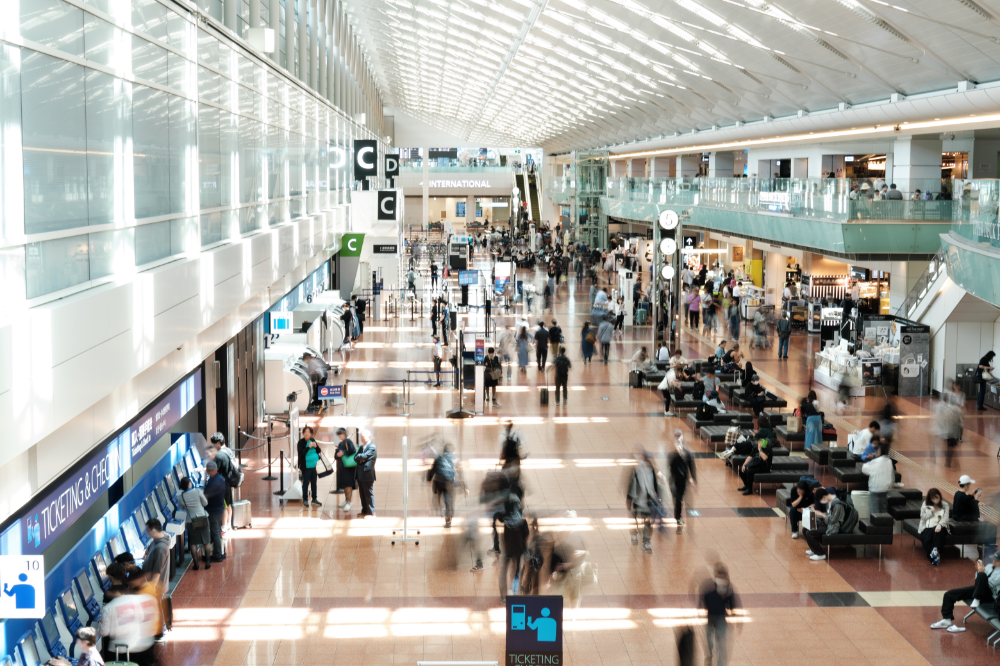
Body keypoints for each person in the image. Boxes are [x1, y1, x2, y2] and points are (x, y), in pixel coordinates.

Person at [931, 552, 1000, 632]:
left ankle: (977, 598)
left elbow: (989, 585)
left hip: (991, 596)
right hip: (979, 590)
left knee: (982, 575)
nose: (994, 562)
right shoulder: (989, 567)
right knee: (949, 594)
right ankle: (946, 619)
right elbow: (978, 581)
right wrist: (978, 571)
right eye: (994, 559)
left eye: (997, 560)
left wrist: (981, 572)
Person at [702, 563, 739, 666]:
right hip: (710, 617)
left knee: (720, 641)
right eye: (718, 577)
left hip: (721, 619)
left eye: (722, 578)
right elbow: (704, 598)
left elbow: (731, 602)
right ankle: (709, 654)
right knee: (709, 638)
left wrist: (732, 613)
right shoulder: (709, 587)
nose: (719, 580)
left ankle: (720, 663)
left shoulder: (727, 590)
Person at [626, 449, 662, 553]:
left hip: (647, 501)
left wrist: (656, 494)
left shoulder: (652, 470)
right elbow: (631, 485)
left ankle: (646, 542)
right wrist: (629, 498)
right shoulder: (637, 470)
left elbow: (655, 484)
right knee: (634, 519)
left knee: (648, 522)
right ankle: (634, 534)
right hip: (637, 499)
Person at [499, 494, 529, 601]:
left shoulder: (506, 521)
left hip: (507, 551)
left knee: (503, 573)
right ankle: (513, 593)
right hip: (518, 552)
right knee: (515, 573)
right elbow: (526, 538)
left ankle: (503, 597)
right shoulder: (523, 522)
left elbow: (504, 537)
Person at [429, 444, 465, 528]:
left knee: (437, 496)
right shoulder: (455, 459)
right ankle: (448, 520)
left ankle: (439, 508)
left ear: (443, 451)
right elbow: (460, 474)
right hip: (450, 483)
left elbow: (432, 470)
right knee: (449, 500)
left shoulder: (439, 458)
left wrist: (428, 479)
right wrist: (462, 485)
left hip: (438, 482)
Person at [178, 477, 211, 570]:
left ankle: (196, 564)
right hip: (203, 518)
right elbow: (205, 503)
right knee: (206, 541)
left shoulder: (180, 496)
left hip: (191, 521)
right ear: (189, 483)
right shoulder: (197, 491)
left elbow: (183, 508)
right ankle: (208, 563)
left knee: (193, 543)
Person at [667, 431, 696, 531]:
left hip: (683, 481)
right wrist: (670, 482)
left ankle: (678, 516)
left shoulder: (687, 453)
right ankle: (678, 518)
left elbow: (691, 466)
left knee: (680, 499)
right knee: (678, 499)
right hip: (675, 481)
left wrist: (692, 479)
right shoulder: (672, 455)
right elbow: (670, 469)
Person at [919, 488, 950, 565]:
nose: (935, 500)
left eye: (937, 497)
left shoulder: (945, 505)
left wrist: (940, 525)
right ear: (930, 499)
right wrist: (931, 512)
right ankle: (936, 553)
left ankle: (935, 550)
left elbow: (946, 518)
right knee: (929, 534)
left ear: (940, 496)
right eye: (933, 498)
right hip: (927, 527)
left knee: (939, 531)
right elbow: (923, 517)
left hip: (941, 526)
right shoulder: (925, 504)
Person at [203, 460, 227, 562]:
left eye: (208, 471)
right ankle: (219, 552)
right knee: (216, 531)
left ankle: (217, 555)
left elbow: (205, 495)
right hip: (218, 509)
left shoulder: (213, 482)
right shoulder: (219, 479)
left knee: (215, 532)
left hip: (213, 510)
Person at [862, 444, 894, 514]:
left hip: (875, 489)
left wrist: (867, 462)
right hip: (885, 489)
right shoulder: (889, 461)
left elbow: (864, 469)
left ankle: (876, 524)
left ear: (880, 451)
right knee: (883, 509)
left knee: (874, 511)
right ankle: (885, 523)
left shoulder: (876, 462)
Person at [297, 425, 322, 508]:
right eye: (305, 432)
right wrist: (308, 447)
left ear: (311, 434)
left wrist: (316, 446)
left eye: (308, 432)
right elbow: (301, 454)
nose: (307, 433)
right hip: (306, 467)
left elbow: (319, 451)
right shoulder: (300, 442)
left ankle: (314, 499)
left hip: (314, 466)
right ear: (303, 433)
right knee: (306, 483)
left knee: (314, 483)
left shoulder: (312, 440)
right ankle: (305, 499)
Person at [354, 428, 378, 518]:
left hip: (367, 475)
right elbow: (355, 457)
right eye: (361, 437)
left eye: (363, 437)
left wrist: (360, 457)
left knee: (368, 493)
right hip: (360, 474)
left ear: (369, 436)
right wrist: (361, 458)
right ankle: (364, 510)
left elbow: (363, 456)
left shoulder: (372, 447)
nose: (362, 438)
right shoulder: (361, 447)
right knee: (362, 493)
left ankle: (371, 512)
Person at [334, 427, 357, 510]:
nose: (339, 435)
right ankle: (346, 500)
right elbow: (336, 454)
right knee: (344, 484)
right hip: (342, 468)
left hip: (348, 468)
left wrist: (343, 453)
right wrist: (337, 455)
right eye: (338, 434)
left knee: (348, 484)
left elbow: (353, 451)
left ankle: (349, 501)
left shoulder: (348, 442)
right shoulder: (340, 444)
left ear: (345, 434)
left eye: (341, 433)